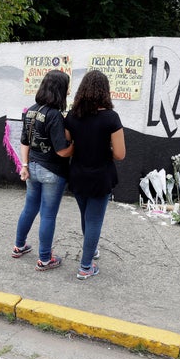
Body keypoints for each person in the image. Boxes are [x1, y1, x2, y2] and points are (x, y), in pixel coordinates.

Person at [64, 70, 126, 280]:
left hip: (78, 174)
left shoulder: (72, 116)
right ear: (105, 91)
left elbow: (68, 145)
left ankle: (91, 251)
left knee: (86, 216)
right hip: (101, 176)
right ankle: (85, 266)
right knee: (94, 221)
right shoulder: (111, 117)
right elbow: (120, 154)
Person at [12, 70, 73, 270]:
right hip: (52, 172)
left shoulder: (30, 110)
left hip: (33, 168)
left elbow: (24, 142)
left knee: (29, 208)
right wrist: (77, 145)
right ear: (60, 90)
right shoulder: (54, 115)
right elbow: (63, 151)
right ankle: (45, 259)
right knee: (48, 215)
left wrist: (24, 165)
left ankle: (19, 246)